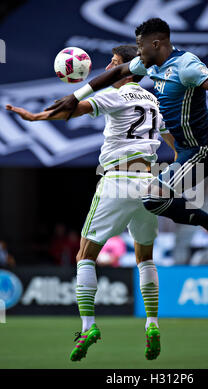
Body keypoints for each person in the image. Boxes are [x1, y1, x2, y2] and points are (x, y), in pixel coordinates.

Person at [45, 18, 208, 256]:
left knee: (152, 198)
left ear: (156, 44)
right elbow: (115, 73)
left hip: (199, 147)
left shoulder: (186, 65)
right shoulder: (151, 64)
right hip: (190, 144)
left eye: (140, 46)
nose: (138, 51)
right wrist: (76, 96)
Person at [6, 45, 177, 362]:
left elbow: (76, 108)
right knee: (145, 257)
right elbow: (174, 144)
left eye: (113, 64)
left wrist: (37, 116)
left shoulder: (114, 95)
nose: (107, 69)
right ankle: (152, 324)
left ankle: (88, 326)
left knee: (85, 255)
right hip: (151, 182)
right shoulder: (153, 100)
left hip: (119, 179)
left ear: (126, 69)